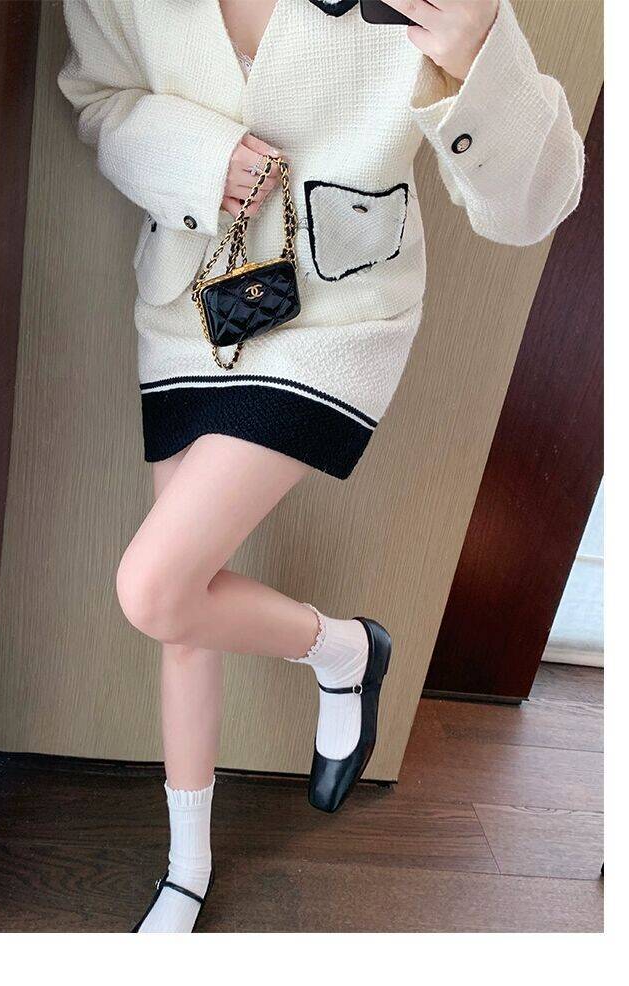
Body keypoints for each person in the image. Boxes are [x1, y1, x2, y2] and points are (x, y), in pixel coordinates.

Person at [58, 0, 584, 932]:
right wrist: (197, 158)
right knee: (183, 609)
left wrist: (479, 59)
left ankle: (341, 652)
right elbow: (100, 99)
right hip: (190, 306)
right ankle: (189, 866)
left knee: (154, 586)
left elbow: (534, 209)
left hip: (339, 315)